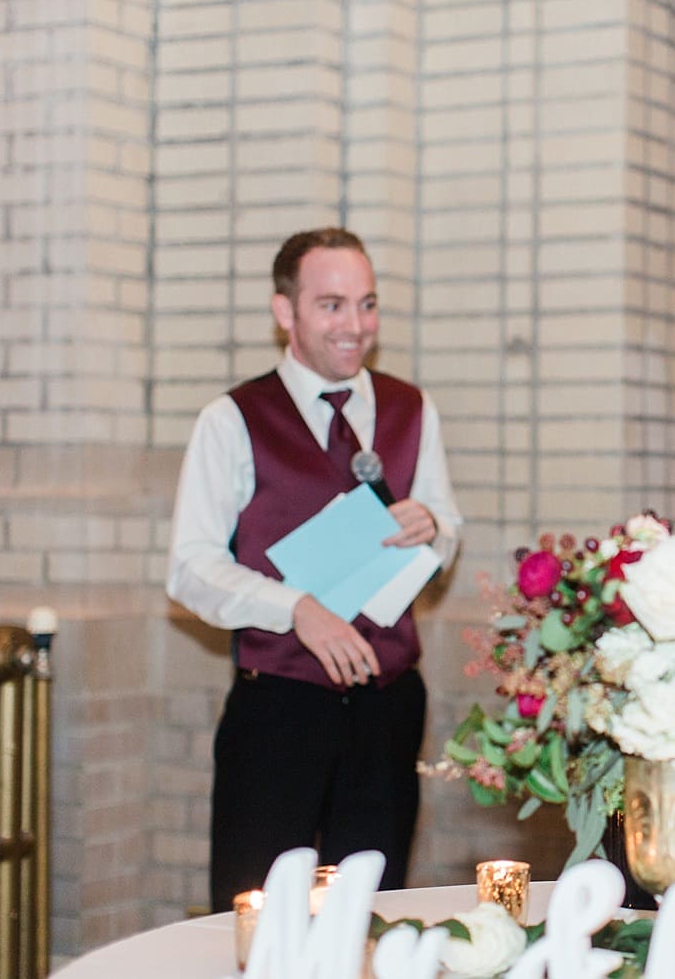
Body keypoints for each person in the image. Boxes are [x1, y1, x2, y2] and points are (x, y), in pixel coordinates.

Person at [166, 227, 462, 911]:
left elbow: (448, 527)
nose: (354, 326)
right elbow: (189, 566)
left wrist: (434, 529)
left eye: (367, 304)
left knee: (373, 910)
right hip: (280, 709)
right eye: (331, 305)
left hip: (387, 708)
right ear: (285, 312)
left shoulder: (412, 408)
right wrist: (297, 608)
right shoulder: (232, 418)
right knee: (260, 912)